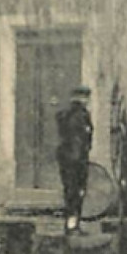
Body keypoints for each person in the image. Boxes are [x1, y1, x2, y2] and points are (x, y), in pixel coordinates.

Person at [55, 86, 94, 234]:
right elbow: (78, 140)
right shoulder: (79, 116)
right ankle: (72, 226)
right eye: (86, 98)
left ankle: (72, 225)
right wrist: (79, 160)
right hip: (75, 159)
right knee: (75, 193)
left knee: (71, 193)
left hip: (68, 157)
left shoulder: (66, 114)